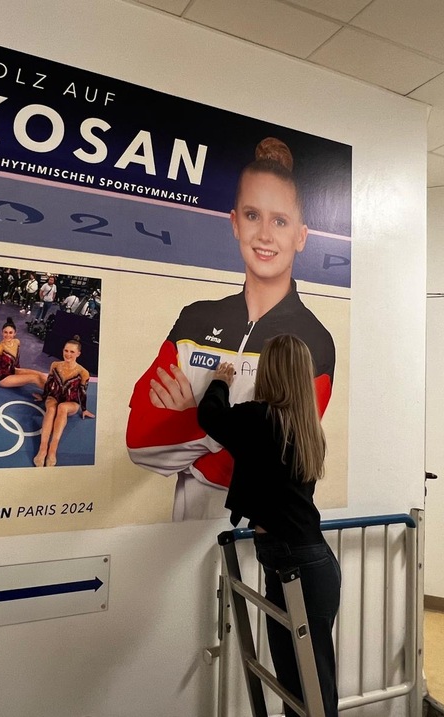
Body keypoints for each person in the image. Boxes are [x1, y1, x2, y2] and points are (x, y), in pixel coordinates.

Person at [126, 137, 335, 520]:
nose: (265, 235)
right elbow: (141, 438)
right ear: (235, 222)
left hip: (263, 536)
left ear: (300, 236)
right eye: (253, 215)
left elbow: (282, 456)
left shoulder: (314, 341)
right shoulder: (195, 318)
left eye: (281, 220)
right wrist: (232, 432)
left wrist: (193, 419)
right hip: (183, 539)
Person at [197, 335, 340, 717]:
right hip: (305, 558)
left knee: (307, 680)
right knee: (302, 677)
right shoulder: (305, 425)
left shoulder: (259, 419)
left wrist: (220, 383)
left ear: (271, 373)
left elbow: (211, 417)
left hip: (297, 561)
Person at [33, 335, 95, 467]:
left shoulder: (83, 372)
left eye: (72, 352)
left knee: (62, 408)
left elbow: (82, 392)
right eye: (66, 350)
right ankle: (42, 449)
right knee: (51, 408)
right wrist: (43, 397)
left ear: (78, 353)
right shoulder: (55, 365)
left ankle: (52, 450)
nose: (68, 354)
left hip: (70, 403)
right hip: (53, 397)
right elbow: (49, 384)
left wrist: (84, 409)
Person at [0, 317, 47, 393]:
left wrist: (19, 372)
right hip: (3, 379)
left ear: (15, 333)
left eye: (10, 332)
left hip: (14, 371)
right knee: (34, 378)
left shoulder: (17, 342)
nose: (7, 335)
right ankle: (47, 397)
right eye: (5, 332)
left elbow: (16, 361)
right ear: (2, 332)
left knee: (40, 375)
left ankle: (54, 395)